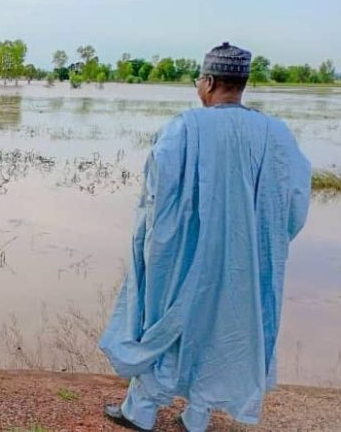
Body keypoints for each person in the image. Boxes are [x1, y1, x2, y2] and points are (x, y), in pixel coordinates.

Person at [99, 42, 311, 431]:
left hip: (183, 255)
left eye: (200, 79)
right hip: (245, 261)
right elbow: (295, 200)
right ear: (242, 83)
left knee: (166, 322)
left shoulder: (184, 128)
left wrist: (152, 246)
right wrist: (263, 244)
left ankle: (141, 410)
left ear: (209, 82)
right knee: (226, 330)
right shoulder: (276, 134)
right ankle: (197, 417)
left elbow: (156, 195)